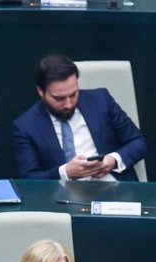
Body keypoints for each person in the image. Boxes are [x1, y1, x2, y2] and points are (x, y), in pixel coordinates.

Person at [13, 54, 147, 181]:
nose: (68, 104)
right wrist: (66, 172)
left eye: (73, 94)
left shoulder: (101, 100)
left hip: (114, 188)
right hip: (62, 198)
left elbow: (138, 143)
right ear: (41, 91)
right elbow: (29, 179)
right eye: (59, 98)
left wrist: (113, 160)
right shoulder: (25, 126)